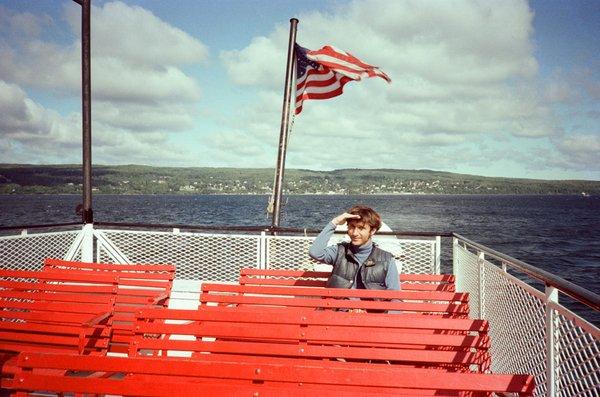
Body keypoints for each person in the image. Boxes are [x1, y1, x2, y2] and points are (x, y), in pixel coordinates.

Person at [309, 205, 400, 292]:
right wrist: (334, 222)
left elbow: (395, 296)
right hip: (340, 307)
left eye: (361, 228)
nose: (354, 233)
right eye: (352, 227)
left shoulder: (387, 259)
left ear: (372, 231)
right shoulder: (339, 251)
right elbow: (315, 253)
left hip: (370, 308)